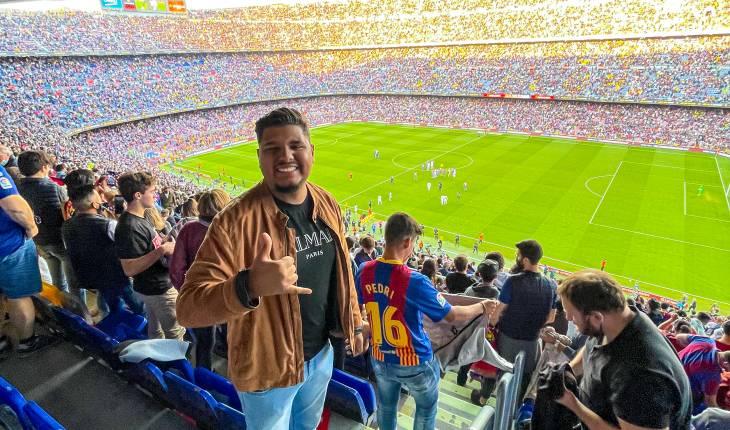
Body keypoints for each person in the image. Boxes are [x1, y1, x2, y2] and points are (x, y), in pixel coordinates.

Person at [176, 108, 366, 430]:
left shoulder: (327, 202)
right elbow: (188, 309)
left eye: (295, 145)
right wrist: (248, 286)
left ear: (311, 151)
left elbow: (343, 274)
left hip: (321, 357)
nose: (285, 156)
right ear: (260, 157)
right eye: (272, 148)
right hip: (268, 372)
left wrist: (355, 322)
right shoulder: (233, 223)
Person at [356, 212, 497, 430]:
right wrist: (481, 307)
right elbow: (451, 315)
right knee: (426, 408)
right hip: (415, 362)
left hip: (380, 356)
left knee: (386, 407)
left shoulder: (364, 270)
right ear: (407, 242)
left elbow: (357, 308)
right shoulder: (415, 280)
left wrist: (363, 328)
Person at [555, 270, 692, 429]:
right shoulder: (618, 319)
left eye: (572, 316)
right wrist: (567, 372)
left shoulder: (640, 377)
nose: (568, 319)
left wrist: (573, 404)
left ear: (596, 317)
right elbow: (592, 347)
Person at [62, 170, 145, 317]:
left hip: (93, 276)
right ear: (95, 204)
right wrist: (121, 216)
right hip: (116, 276)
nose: (102, 200)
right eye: (99, 198)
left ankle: (115, 320)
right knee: (139, 306)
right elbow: (127, 242)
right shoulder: (108, 224)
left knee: (113, 306)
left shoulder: (66, 225)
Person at [115, 172, 184, 340]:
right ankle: (176, 358)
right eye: (152, 191)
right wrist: (162, 250)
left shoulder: (140, 217)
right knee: (175, 333)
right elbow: (129, 268)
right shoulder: (129, 226)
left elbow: (145, 247)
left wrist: (162, 242)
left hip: (151, 287)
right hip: (158, 289)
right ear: (138, 195)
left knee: (155, 330)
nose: (155, 195)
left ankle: (157, 355)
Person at [169, 189, 231, 370]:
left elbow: (176, 270)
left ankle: (205, 378)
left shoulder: (188, 229)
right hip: (227, 296)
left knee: (204, 344)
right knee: (233, 340)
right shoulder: (232, 231)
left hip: (200, 298)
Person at [0, 164, 57, 358]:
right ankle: (27, 342)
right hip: (8, 247)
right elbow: (14, 206)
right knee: (19, 296)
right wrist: (32, 227)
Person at [493, 239, 557, 398]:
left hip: (508, 339)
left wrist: (491, 327)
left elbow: (498, 312)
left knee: (505, 377)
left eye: (518, 255)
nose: (517, 258)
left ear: (526, 260)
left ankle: (502, 407)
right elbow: (551, 317)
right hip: (532, 342)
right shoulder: (551, 285)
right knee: (524, 380)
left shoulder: (512, 281)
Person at [16, 151, 81, 296]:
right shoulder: (55, 188)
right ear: (44, 167)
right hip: (60, 241)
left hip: (38, 241)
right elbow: (68, 215)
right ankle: (79, 308)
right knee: (75, 283)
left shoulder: (17, 188)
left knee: (58, 282)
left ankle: (62, 306)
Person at [675, 334, 730, 411]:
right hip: (679, 396)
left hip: (670, 369)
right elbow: (710, 404)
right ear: (726, 363)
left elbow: (679, 337)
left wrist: (690, 351)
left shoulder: (707, 340)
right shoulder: (713, 376)